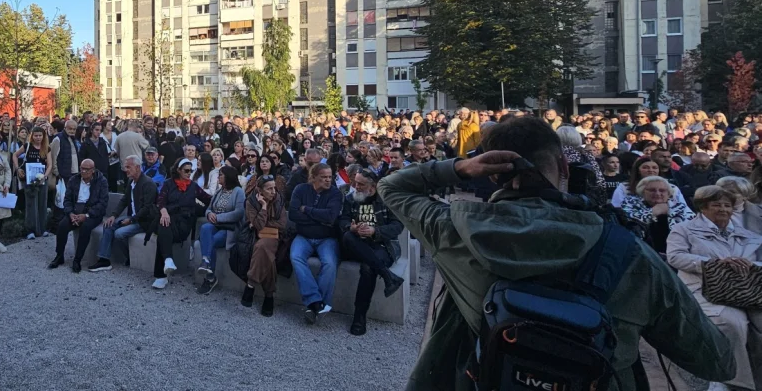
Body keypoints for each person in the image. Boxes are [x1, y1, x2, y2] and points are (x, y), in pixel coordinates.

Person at [377, 114, 734, 391]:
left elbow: (393, 186)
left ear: (491, 175)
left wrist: (458, 167)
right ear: (565, 167)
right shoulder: (632, 253)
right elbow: (717, 363)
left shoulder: (455, 230)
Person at [667, 185, 762, 391]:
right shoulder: (683, 229)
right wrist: (713, 263)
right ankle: (733, 380)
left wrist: (751, 265)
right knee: (731, 323)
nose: (723, 209)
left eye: (727, 205)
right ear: (703, 207)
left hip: (748, 290)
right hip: (706, 289)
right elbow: (675, 257)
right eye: (716, 204)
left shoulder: (744, 231)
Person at [338, 170, 406, 335]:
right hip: (356, 244)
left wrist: (375, 231)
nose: (356, 187)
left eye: (361, 184)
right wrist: (351, 227)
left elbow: (398, 226)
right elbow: (343, 220)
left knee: (368, 268)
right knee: (347, 236)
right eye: (355, 182)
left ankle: (359, 317)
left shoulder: (386, 200)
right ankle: (388, 276)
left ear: (372, 186)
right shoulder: (350, 199)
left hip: (382, 246)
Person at [287, 163, 342, 324]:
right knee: (296, 257)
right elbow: (293, 215)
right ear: (313, 177)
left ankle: (315, 306)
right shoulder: (301, 189)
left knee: (330, 263)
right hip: (303, 236)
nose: (328, 180)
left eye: (330, 177)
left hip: (327, 238)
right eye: (323, 177)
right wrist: (319, 219)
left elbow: (331, 217)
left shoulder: (335, 194)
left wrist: (307, 210)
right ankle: (315, 301)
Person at [149, 160, 211, 289]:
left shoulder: (193, 186)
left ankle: (163, 270)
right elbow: (160, 200)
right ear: (178, 170)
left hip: (184, 222)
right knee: (164, 224)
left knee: (163, 231)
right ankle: (167, 263)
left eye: (191, 171)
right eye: (186, 170)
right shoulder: (168, 184)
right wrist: (164, 211)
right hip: (169, 218)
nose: (189, 173)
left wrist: (198, 211)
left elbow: (208, 200)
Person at [89, 154, 155, 272]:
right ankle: (104, 260)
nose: (125, 170)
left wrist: (131, 220)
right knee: (108, 224)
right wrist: (113, 215)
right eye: (125, 167)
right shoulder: (131, 182)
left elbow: (147, 208)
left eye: (128, 167)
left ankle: (130, 256)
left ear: (138, 167)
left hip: (144, 221)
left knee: (119, 234)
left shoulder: (148, 183)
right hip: (133, 217)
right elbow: (125, 200)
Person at [49, 159, 109, 272]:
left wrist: (86, 215)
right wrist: (71, 214)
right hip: (75, 210)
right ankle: (59, 255)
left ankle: (77, 260)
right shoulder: (74, 180)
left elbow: (102, 204)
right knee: (62, 226)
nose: (83, 171)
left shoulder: (101, 181)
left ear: (93, 170)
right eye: (82, 168)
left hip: (92, 213)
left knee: (85, 227)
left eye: (86, 169)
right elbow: (67, 200)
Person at [241, 174, 288, 317]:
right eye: (269, 189)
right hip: (254, 237)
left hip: (275, 238)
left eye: (274, 187)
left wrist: (258, 222)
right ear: (260, 191)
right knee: (268, 258)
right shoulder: (251, 201)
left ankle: (250, 285)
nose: (274, 191)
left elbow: (282, 225)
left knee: (262, 247)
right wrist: (263, 207)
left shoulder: (279, 200)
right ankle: (269, 296)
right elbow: (258, 225)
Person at [195, 165, 245, 294]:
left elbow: (239, 213)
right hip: (214, 225)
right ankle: (206, 263)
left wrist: (218, 217)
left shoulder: (238, 191)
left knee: (210, 241)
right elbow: (209, 208)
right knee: (205, 227)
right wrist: (209, 214)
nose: (218, 177)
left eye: (221, 175)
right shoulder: (219, 191)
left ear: (228, 177)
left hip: (229, 228)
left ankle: (209, 278)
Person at [620, 175, 694, 254]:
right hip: (643, 253)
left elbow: (693, 230)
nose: (658, 193)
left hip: (679, 252)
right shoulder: (631, 204)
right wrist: (652, 212)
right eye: (652, 190)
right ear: (642, 192)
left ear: (669, 194)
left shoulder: (680, 207)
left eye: (662, 190)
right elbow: (629, 227)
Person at [15, 126, 52, 240]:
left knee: (42, 203)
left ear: (43, 136)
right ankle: (30, 230)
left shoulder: (46, 148)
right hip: (29, 179)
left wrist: (45, 176)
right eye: (36, 135)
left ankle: (42, 228)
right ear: (32, 136)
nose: (38, 138)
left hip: (41, 179)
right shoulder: (27, 146)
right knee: (31, 204)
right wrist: (18, 169)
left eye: (40, 135)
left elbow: (50, 164)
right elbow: (15, 155)